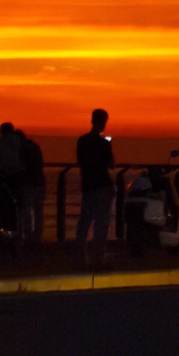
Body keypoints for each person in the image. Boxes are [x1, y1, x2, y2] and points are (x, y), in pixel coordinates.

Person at [74, 108, 114, 270]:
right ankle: (97, 258)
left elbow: (80, 161)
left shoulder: (82, 141)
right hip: (103, 185)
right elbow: (110, 164)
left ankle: (79, 257)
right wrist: (108, 145)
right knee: (101, 223)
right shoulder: (103, 143)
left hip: (88, 185)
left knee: (84, 222)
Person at [15, 129, 46, 244]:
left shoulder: (21, 149)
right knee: (38, 210)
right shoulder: (34, 147)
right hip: (39, 181)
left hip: (29, 182)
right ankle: (37, 235)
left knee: (26, 210)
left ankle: (27, 235)